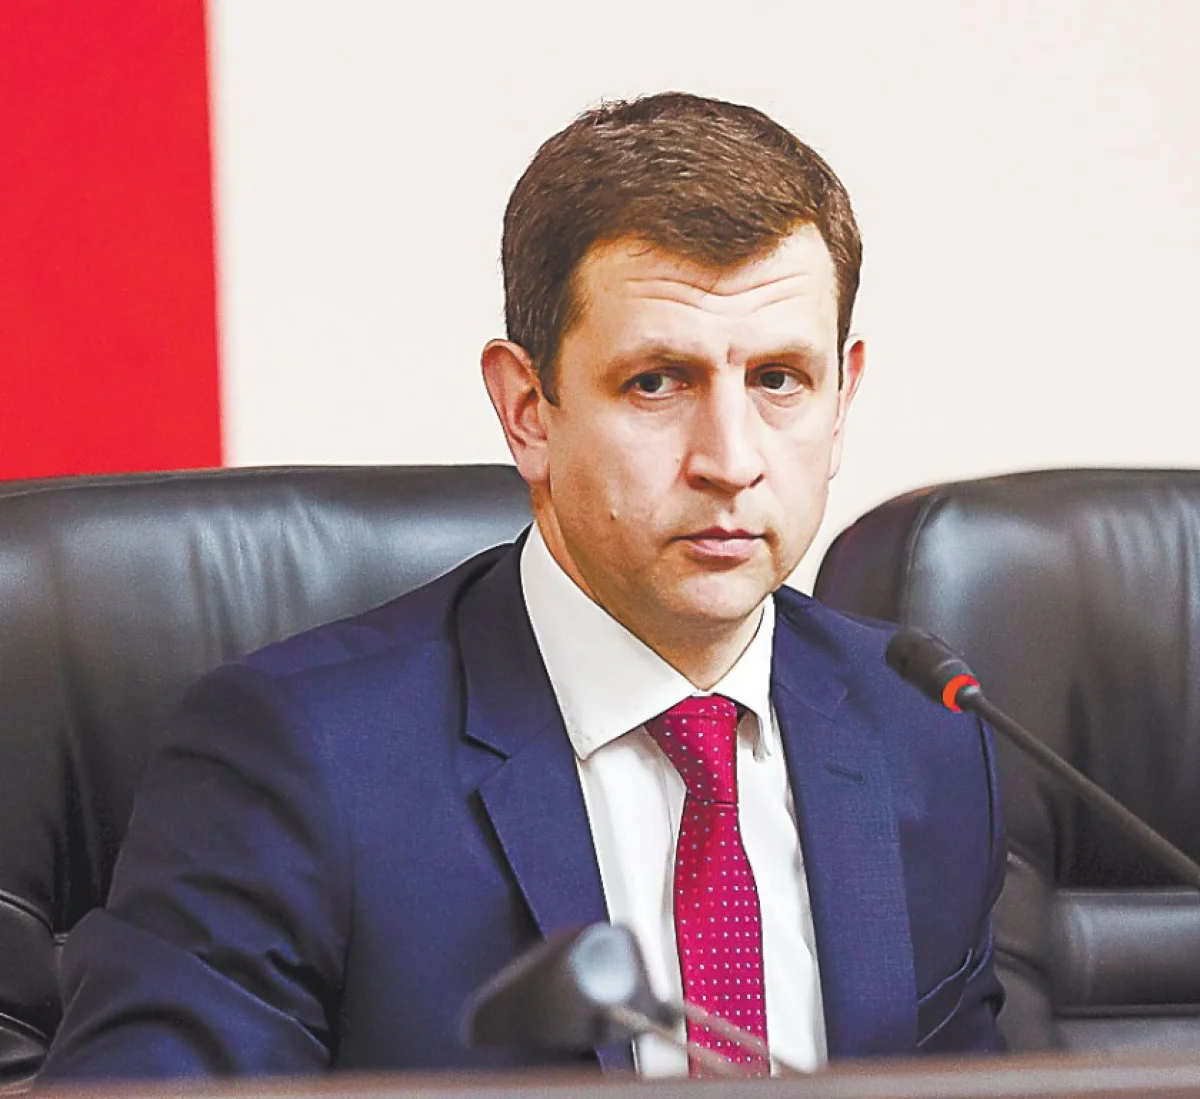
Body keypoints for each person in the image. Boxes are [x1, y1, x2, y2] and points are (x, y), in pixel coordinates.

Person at [39, 92, 1005, 1082]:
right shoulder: (300, 759)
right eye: (657, 381)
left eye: (779, 380)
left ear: (842, 399)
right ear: (528, 410)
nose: (730, 459)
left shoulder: (921, 733)